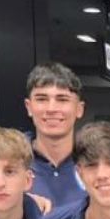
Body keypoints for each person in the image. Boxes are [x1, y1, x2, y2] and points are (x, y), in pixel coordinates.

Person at [23, 61, 89, 209]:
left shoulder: (99, 163)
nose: (51, 108)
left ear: (79, 109)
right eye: (41, 99)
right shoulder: (6, 162)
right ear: (29, 107)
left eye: (62, 99)